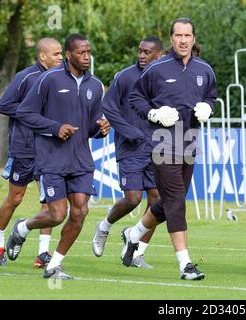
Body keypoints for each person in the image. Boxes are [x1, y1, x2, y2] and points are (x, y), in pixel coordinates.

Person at [6, 34, 110, 280]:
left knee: (80, 211)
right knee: (56, 215)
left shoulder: (95, 85)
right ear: (68, 55)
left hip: (81, 160)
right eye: (81, 53)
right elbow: (24, 112)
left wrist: (100, 128)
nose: (87, 56)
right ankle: (23, 227)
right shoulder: (48, 80)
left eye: (88, 52)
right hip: (51, 159)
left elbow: (92, 125)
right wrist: (55, 127)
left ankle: (54, 265)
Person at [124, 17, 217, 280]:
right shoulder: (156, 69)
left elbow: (211, 95)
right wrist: (153, 114)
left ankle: (133, 234)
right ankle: (185, 264)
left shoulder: (205, 70)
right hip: (163, 143)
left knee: (168, 202)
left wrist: (209, 106)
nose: (183, 40)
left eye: (188, 35)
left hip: (190, 140)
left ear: (194, 38)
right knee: (176, 201)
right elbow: (136, 98)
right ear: (171, 38)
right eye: (179, 35)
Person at [92, 36, 163, 269]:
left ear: (159, 54)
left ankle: (137, 252)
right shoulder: (125, 76)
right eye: (140, 51)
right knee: (133, 199)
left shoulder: (165, 77)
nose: (142, 55)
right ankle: (104, 226)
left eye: (147, 52)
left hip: (157, 148)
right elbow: (108, 106)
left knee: (158, 202)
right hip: (130, 147)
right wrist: (128, 130)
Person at [0, 38, 62, 267]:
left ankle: (42, 253)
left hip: (49, 149)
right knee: (15, 198)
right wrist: (32, 113)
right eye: (56, 54)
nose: (61, 58)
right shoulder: (26, 77)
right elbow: (4, 106)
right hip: (24, 149)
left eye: (62, 54)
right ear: (42, 56)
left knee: (50, 201)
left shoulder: (60, 78)